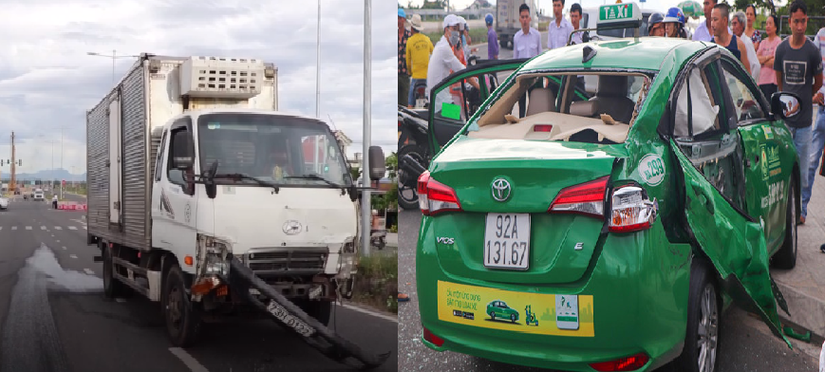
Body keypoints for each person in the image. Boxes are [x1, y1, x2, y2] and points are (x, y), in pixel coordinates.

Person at [775, 0, 824, 226]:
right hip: (786, 121)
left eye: (804, 21)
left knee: (804, 171)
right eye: (796, 21)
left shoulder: (813, 51)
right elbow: (779, 81)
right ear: (790, 21)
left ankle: (802, 210)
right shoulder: (782, 49)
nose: (800, 26)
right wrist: (787, 100)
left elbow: (818, 83)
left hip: (805, 122)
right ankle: (785, 210)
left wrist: (804, 97)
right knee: (784, 170)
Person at [802, 23, 825, 224]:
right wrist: (816, 93)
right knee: (810, 162)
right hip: (823, 111)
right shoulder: (821, 36)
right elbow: (814, 68)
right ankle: (801, 209)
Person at [426, 14, 468, 113]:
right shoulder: (444, 48)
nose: (456, 33)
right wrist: (479, 86)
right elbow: (463, 71)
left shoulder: (442, 45)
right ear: (446, 30)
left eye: (458, 30)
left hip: (440, 100)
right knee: (462, 121)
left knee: (461, 117)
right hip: (440, 105)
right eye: (454, 28)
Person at [710, 3, 750, 75]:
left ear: (724, 20)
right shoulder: (710, 47)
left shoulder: (739, 45)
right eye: (711, 20)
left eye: (715, 20)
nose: (712, 24)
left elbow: (748, 75)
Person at [405, 13, 433, 109]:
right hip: (427, 77)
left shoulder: (409, 41)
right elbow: (433, 53)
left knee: (410, 102)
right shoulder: (427, 39)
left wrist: (410, 71)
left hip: (416, 77)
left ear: (411, 28)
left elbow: (408, 61)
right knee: (431, 99)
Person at [731, 11, 761, 83]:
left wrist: (751, 84)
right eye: (732, 24)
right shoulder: (733, 42)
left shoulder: (747, 42)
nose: (733, 28)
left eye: (735, 24)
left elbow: (756, 66)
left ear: (742, 25)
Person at [757, 15, 781, 99]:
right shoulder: (763, 42)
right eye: (766, 24)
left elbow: (775, 62)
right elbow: (757, 60)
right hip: (761, 81)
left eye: (770, 24)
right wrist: (768, 57)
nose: (767, 26)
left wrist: (762, 60)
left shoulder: (778, 42)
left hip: (772, 82)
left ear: (775, 27)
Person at [398, 8, 411, 107]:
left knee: (404, 102)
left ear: (404, 20)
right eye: (397, 18)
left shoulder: (409, 36)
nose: (398, 21)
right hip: (396, 73)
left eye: (400, 18)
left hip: (405, 74)